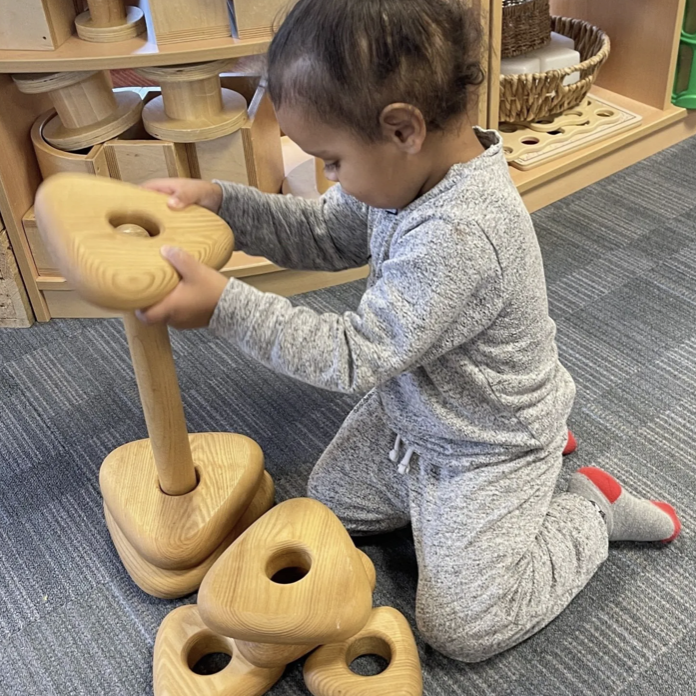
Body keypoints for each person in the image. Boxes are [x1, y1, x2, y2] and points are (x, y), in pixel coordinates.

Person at [139, 0, 680, 663]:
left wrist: (226, 306)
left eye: (332, 160)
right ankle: (525, 469)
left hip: (485, 447)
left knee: (461, 630)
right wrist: (228, 206)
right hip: (413, 418)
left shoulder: (462, 233)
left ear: (403, 129)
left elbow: (351, 355)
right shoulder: (403, 176)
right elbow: (322, 232)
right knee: (326, 506)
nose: (329, 177)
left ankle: (589, 507)